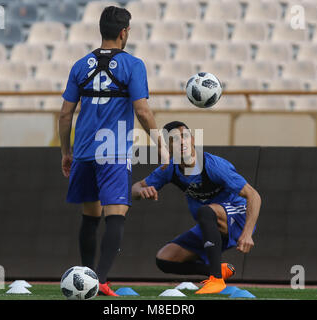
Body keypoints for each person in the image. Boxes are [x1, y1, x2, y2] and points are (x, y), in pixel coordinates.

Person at [58, 6, 168, 296]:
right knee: (115, 215)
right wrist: (162, 147)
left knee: (90, 217)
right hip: (114, 153)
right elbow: (143, 111)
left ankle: (85, 279)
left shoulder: (80, 65)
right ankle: (102, 280)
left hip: (83, 152)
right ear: (123, 32)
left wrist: (65, 152)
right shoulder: (134, 65)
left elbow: (65, 115)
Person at [132, 121, 261, 294]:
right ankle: (216, 270)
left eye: (185, 136)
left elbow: (253, 195)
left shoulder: (213, 165)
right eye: (175, 140)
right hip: (209, 223)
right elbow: (134, 189)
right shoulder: (169, 168)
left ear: (192, 139)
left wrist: (247, 233)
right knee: (164, 259)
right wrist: (142, 190)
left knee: (206, 211)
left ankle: (216, 280)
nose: (182, 142)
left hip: (237, 218)